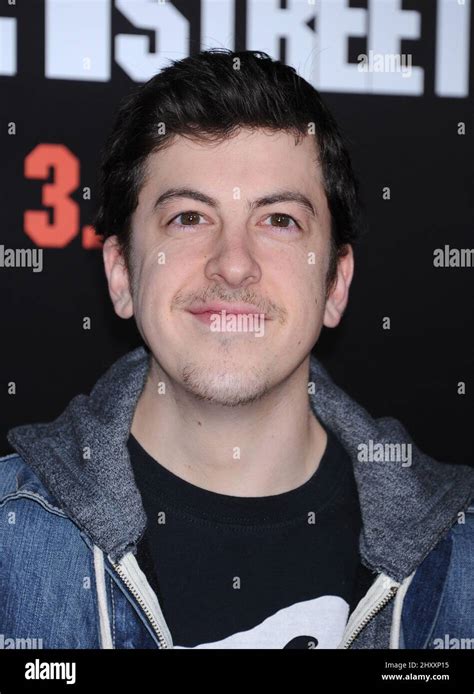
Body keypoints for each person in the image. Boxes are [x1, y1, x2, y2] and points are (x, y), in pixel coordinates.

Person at [1, 49, 473, 650]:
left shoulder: (462, 560)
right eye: (190, 217)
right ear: (121, 273)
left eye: (278, 221)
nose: (233, 264)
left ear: (336, 284)